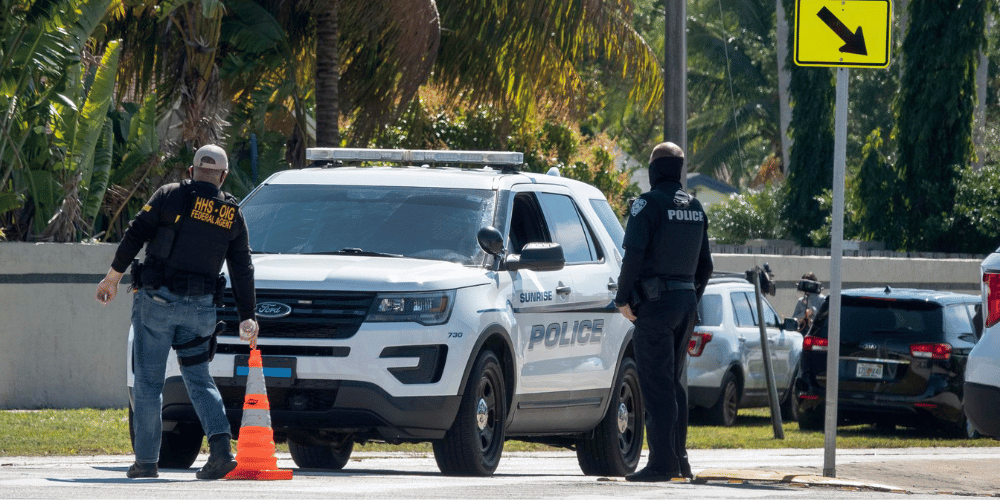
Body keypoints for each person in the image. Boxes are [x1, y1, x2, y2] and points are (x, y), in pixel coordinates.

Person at [95, 145, 259, 480]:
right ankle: (221, 452)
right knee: (199, 378)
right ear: (223, 176)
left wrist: (113, 277)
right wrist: (247, 315)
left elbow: (135, 234)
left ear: (191, 171)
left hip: (157, 305)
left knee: (149, 383)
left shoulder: (169, 195)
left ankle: (145, 462)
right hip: (201, 312)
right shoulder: (231, 212)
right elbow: (242, 267)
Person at [615, 142, 713, 482]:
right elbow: (706, 266)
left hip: (655, 308)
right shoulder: (696, 208)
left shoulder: (648, 204)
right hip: (686, 305)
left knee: (656, 387)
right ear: (681, 168)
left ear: (655, 170)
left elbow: (633, 257)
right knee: (672, 385)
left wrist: (622, 298)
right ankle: (680, 460)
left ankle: (661, 464)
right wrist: (687, 296)